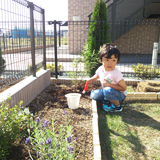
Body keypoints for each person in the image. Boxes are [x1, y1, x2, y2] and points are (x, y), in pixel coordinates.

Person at [87, 43, 127, 112]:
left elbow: (123, 88)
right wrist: (90, 79)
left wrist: (109, 85)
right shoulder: (101, 68)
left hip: (119, 94)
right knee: (94, 95)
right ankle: (109, 100)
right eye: (107, 60)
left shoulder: (116, 73)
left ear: (117, 61)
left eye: (113, 60)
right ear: (101, 60)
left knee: (108, 90)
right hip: (108, 91)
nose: (110, 63)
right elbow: (97, 75)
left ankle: (117, 107)